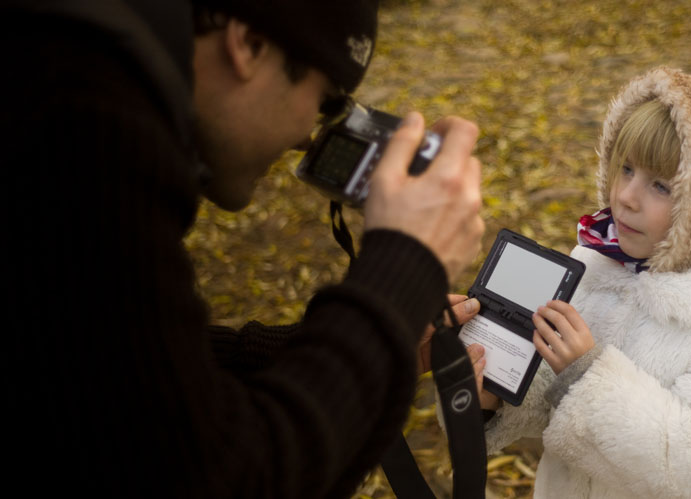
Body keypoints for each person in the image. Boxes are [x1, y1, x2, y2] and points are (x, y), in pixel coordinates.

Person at [1, 0, 484, 497]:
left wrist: (350, 347)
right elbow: (225, 476)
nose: (306, 139)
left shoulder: (53, 67)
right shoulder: (86, 137)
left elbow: (107, 364)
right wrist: (401, 269)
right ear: (250, 44)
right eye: (323, 102)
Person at [467, 66, 691, 498]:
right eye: (626, 168)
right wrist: (491, 391)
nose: (626, 196)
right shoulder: (602, 261)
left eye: (662, 187)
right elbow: (550, 399)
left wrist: (586, 372)